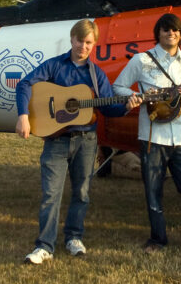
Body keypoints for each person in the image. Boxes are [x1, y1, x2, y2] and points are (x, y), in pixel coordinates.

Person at [14, 19, 142, 265]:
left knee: (81, 193)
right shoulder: (54, 66)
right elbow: (25, 84)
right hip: (56, 141)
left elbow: (109, 108)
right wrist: (23, 115)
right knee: (51, 194)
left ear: (93, 45)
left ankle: (74, 237)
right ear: (71, 39)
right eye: (79, 41)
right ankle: (44, 246)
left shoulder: (96, 75)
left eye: (88, 43)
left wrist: (127, 105)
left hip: (86, 140)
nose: (83, 46)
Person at [113, 13, 181, 255]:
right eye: (166, 30)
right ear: (158, 33)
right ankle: (157, 239)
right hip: (152, 138)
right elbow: (118, 86)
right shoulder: (141, 60)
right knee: (153, 191)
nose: (171, 33)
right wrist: (135, 97)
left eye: (175, 30)